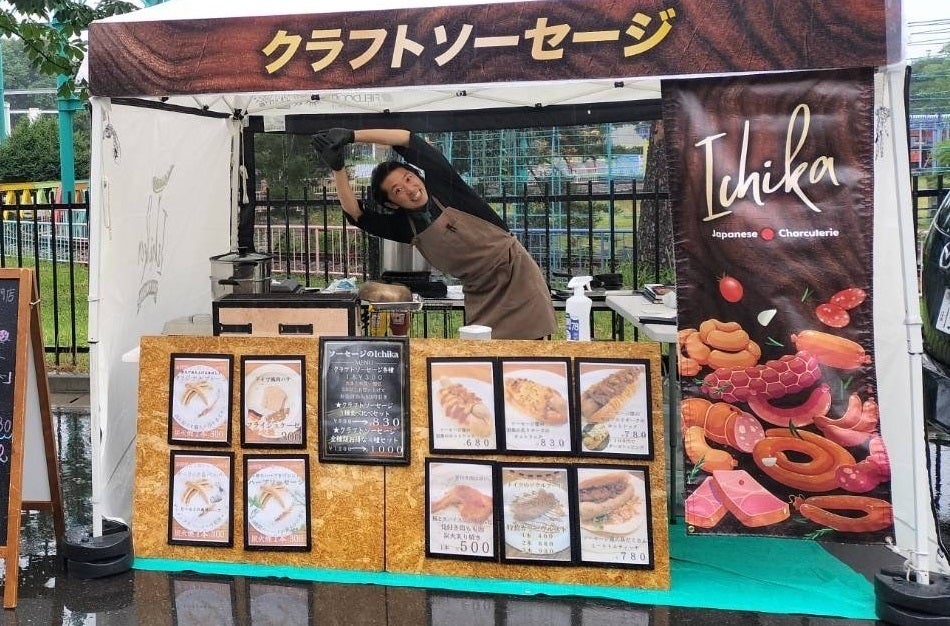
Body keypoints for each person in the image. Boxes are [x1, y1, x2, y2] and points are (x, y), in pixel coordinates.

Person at [312, 128, 557, 340]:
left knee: (532, 358)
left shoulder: (445, 185)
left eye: (409, 179)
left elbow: (406, 138)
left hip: (518, 277)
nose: (410, 189)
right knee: (484, 360)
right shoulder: (405, 226)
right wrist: (338, 168)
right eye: (398, 190)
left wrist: (352, 136)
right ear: (392, 203)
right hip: (480, 294)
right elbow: (356, 214)